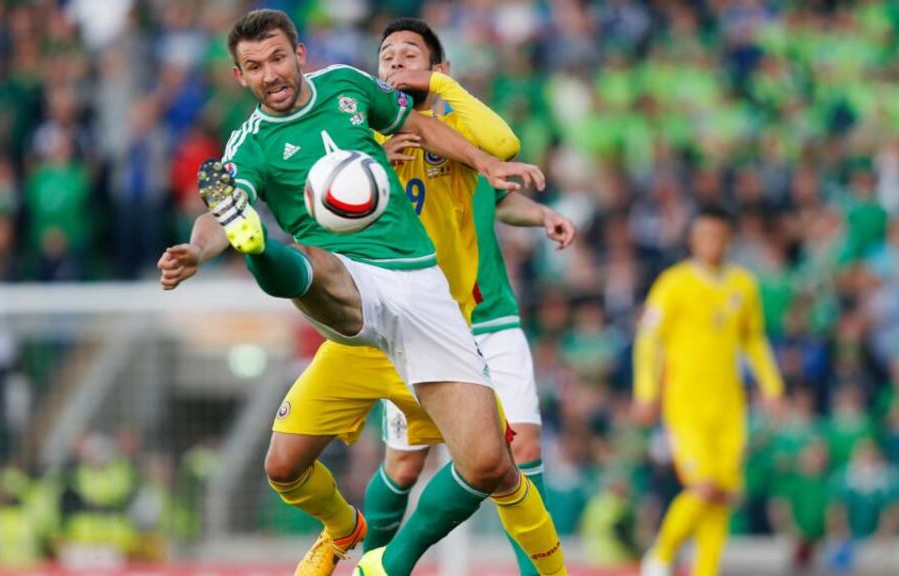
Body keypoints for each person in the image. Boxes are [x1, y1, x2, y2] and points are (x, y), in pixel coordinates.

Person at [160, 9, 565, 576]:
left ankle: (392, 559)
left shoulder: (348, 86)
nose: (270, 74)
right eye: (254, 67)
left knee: (491, 466)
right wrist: (199, 251)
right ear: (238, 76)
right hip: (347, 293)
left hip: (419, 286)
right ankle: (256, 249)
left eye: (278, 58)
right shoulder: (248, 146)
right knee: (285, 461)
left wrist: (484, 162)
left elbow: (419, 125)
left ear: (300, 54)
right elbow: (213, 217)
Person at [361, 18, 573, 576]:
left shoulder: (468, 128)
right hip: (416, 321)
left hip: (491, 315)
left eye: (412, 53)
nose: (397, 62)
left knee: (520, 449)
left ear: (441, 69)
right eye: (387, 56)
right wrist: (381, 164)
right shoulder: (371, 134)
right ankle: (373, 564)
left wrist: (541, 214)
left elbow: (498, 189)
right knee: (405, 466)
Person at [633, 205, 785, 576]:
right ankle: (662, 556)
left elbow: (753, 339)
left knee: (723, 495)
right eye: (704, 236)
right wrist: (646, 391)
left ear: (728, 239)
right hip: (685, 403)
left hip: (729, 405)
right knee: (703, 487)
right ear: (692, 240)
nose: (712, 244)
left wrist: (771, 385)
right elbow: (649, 340)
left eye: (718, 236)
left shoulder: (743, 285)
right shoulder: (674, 284)